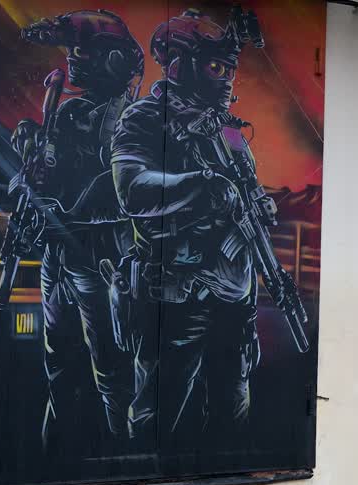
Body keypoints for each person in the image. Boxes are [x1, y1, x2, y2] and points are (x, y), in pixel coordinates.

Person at [110, 9, 264, 443]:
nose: (227, 79)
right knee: (157, 417)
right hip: (175, 294)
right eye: (217, 66)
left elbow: (250, 199)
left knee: (232, 412)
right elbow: (132, 189)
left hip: (233, 295)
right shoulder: (144, 118)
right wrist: (200, 185)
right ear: (179, 64)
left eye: (231, 68)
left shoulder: (230, 132)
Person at [11, 10, 143, 449]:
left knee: (111, 371)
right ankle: (55, 458)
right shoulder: (68, 113)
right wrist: (34, 146)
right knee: (59, 364)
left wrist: (66, 202)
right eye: (73, 52)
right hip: (60, 253)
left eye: (84, 51)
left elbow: (120, 187)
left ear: (116, 60)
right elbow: (54, 170)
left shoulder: (133, 121)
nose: (75, 60)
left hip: (100, 253)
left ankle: (123, 457)